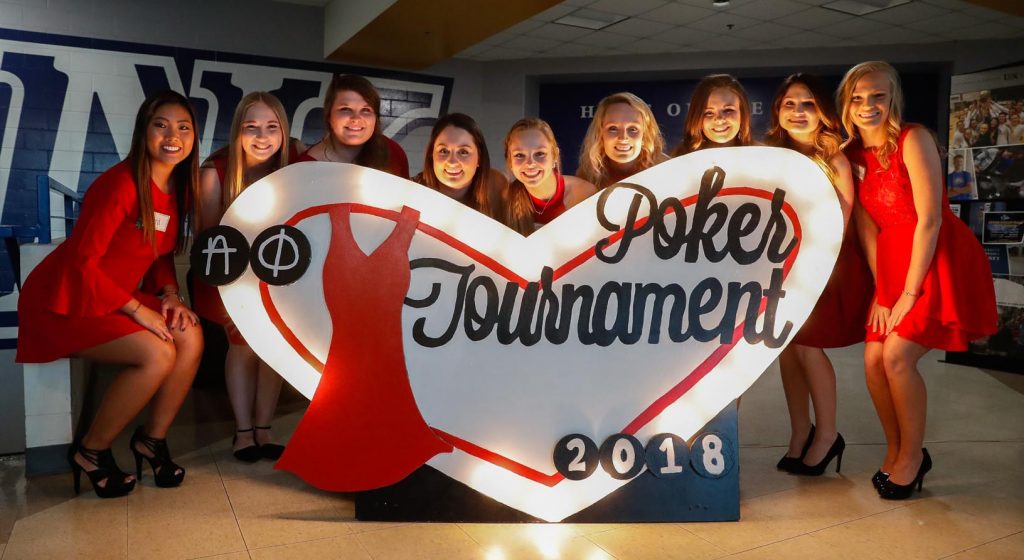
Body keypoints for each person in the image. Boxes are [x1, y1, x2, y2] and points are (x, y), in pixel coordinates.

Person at [17, 90, 203, 497]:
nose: (173, 136)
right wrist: (138, 310)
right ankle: (91, 450)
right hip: (64, 299)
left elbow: (159, 252)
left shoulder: (176, 189)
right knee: (157, 353)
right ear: (143, 132)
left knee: (190, 334)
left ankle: (151, 441)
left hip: (111, 295)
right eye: (161, 125)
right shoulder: (120, 184)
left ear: (193, 138)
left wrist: (171, 295)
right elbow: (82, 262)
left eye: (183, 127)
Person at [840, 61, 998, 500]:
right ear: (846, 104)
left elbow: (930, 219)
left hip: (937, 256)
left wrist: (909, 293)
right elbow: (866, 228)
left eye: (877, 95)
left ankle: (912, 456)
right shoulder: (851, 155)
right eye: (857, 98)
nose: (868, 105)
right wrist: (883, 290)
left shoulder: (914, 138)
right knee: (872, 359)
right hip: (892, 261)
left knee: (897, 356)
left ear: (893, 98)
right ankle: (896, 450)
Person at [764, 74, 872, 476]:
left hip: (823, 267)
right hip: (780, 268)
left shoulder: (834, 158)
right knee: (787, 351)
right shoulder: (772, 156)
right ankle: (800, 433)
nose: (798, 112)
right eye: (789, 104)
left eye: (807, 104)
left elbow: (841, 222)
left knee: (809, 348)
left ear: (822, 111)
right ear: (778, 111)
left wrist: (810, 266)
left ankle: (828, 435)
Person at [194, 92, 291, 462]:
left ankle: (264, 428)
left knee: (274, 351)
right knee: (243, 346)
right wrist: (234, 299)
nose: (262, 137)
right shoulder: (214, 172)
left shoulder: (290, 171)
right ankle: (244, 431)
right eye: (252, 127)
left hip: (275, 278)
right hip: (227, 280)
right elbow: (208, 246)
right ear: (238, 131)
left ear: (283, 133)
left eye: (271, 127)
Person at [296, 74, 409, 178]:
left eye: (366, 110)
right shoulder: (304, 167)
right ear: (329, 115)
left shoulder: (393, 152)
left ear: (376, 117)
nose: (356, 119)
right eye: (345, 109)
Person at [502, 117, 597, 235]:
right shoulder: (504, 200)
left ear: (555, 156)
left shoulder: (584, 194)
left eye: (539, 153)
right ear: (510, 161)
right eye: (519, 155)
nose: (530, 163)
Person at [413, 112, 509, 223]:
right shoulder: (411, 193)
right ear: (431, 155)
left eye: (463, 152)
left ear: (479, 158)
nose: (452, 162)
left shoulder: (498, 189)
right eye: (443, 151)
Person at [577, 92, 667, 189]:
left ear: (645, 136)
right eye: (613, 128)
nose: (623, 137)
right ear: (600, 134)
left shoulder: (668, 169)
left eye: (633, 129)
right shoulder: (587, 175)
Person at [671, 74, 753, 156]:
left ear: (742, 113)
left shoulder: (759, 156)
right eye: (709, 113)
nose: (719, 120)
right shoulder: (679, 160)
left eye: (728, 110)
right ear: (697, 117)